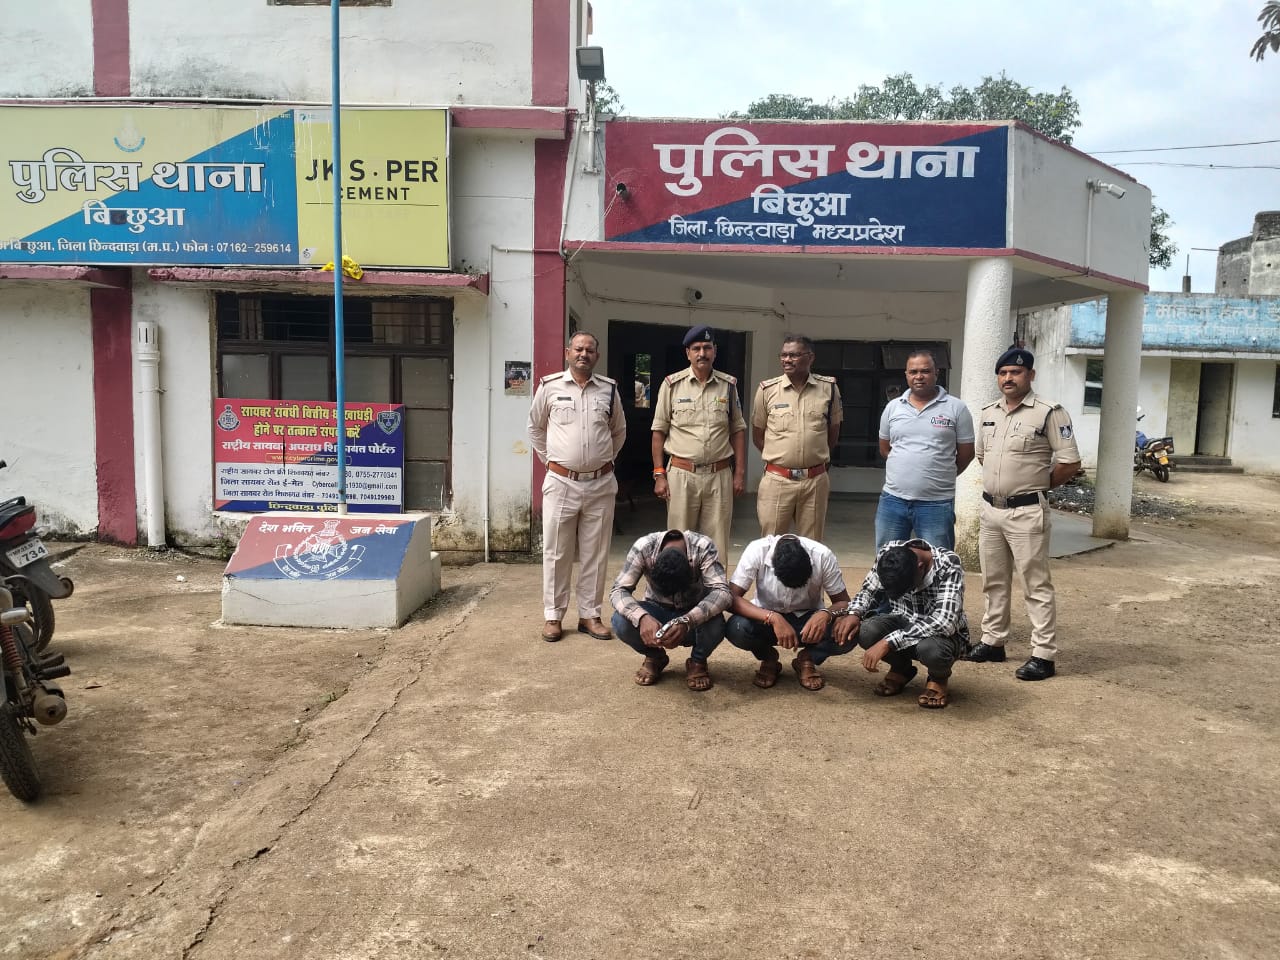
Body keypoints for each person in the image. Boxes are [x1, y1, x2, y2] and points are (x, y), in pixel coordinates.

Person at [965, 347, 1081, 681]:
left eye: (1015, 372)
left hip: (1027, 512)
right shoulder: (989, 413)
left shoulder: (1049, 412)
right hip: (991, 510)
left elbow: (1069, 462)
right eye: (1003, 373)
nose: (1008, 378)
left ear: (1030, 375)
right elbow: (983, 456)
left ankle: (1043, 654)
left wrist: (1037, 486)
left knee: (1035, 584)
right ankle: (993, 641)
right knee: (993, 580)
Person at [527, 331, 626, 643]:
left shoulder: (608, 389)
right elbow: (535, 427)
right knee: (557, 551)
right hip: (561, 483)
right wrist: (553, 462)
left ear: (597, 356)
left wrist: (600, 461)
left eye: (590, 350)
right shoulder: (550, 386)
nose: (584, 354)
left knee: (596, 552)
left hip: (600, 484)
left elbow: (618, 431)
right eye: (578, 349)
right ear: (567, 352)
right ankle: (553, 616)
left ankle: (590, 615)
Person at [650, 325, 747, 565]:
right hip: (682, 474)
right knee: (677, 542)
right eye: (696, 349)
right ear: (688, 353)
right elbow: (659, 432)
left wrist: (739, 473)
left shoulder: (728, 385)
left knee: (717, 544)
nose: (702, 353)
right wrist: (659, 474)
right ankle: (677, 587)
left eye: (707, 348)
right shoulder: (672, 385)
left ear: (715, 351)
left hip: (719, 475)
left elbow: (737, 430)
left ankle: (714, 587)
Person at [840, 539, 970, 709]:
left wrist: (888, 642)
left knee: (931, 650)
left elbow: (945, 622)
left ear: (920, 567)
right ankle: (901, 668)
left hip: (941, 635)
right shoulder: (889, 552)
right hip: (903, 621)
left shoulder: (948, 563)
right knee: (865, 631)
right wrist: (854, 613)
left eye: (907, 588)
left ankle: (938, 679)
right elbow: (869, 591)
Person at [724, 533, 856, 691]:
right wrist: (772, 617)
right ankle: (769, 658)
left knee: (849, 632)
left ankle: (807, 659)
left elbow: (844, 603)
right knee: (736, 628)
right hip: (766, 620)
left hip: (808, 622)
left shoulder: (822, 555)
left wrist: (825, 614)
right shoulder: (757, 550)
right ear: (774, 567)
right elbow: (730, 598)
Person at [875, 349, 975, 550]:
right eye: (913, 372)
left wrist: (940, 473)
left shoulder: (956, 408)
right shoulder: (893, 407)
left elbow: (967, 453)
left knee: (937, 561)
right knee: (888, 559)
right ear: (906, 375)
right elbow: (885, 448)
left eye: (925, 371)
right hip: (893, 501)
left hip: (936, 504)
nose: (919, 376)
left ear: (936, 373)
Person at [609, 528, 732, 692]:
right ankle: (655, 657)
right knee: (620, 621)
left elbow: (723, 593)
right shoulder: (644, 547)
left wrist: (687, 620)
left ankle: (697, 661)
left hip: (693, 616)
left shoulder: (702, 547)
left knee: (716, 622)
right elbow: (618, 590)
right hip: (657, 612)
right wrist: (642, 617)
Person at [752, 334, 842, 540]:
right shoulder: (767, 390)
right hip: (777, 480)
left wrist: (814, 459)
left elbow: (833, 431)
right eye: (783, 355)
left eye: (793, 355)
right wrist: (783, 458)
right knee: (772, 543)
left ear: (810, 357)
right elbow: (758, 435)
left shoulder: (828, 388)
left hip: (815, 482)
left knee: (812, 544)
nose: (787, 360)